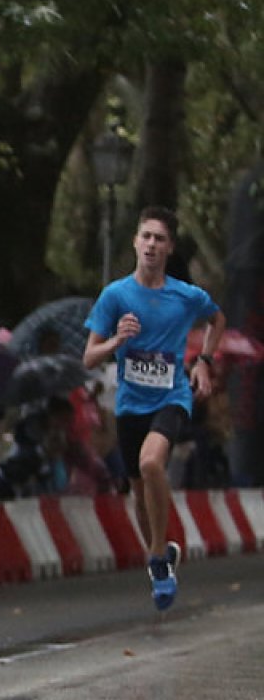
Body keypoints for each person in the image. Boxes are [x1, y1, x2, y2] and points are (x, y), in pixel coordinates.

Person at [83, 206, 225, 610]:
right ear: (135, 242)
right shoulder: (115, 296)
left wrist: (204, 361)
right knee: (139, 490)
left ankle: (158, 556)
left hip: (171, 397)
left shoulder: (185, 296)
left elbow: (217, 320)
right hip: (131, 405)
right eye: (146, 236)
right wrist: (116, 341)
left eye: (159, 239)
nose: (151, 244)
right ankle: (161, 556)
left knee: (151, 464)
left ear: (169, 248)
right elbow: (89, 358)